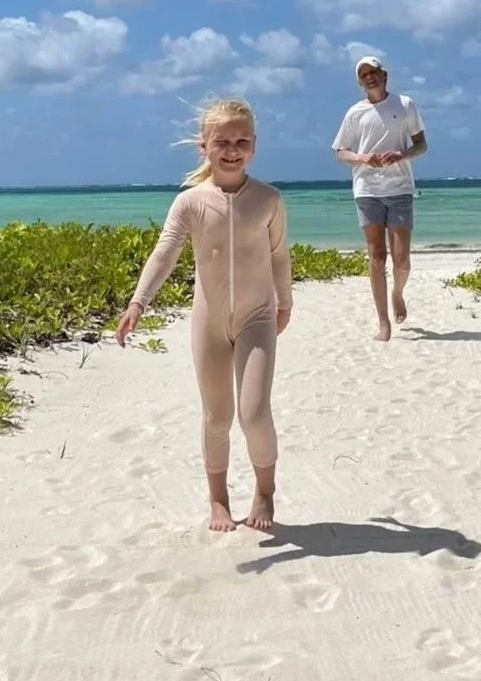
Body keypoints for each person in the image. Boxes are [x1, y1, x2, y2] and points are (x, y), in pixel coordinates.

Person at [115, 98, 292, 533]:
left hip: (257, 317)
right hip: (209, 323)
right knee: (216, 417)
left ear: (254, 145)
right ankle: (218, 500)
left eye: (241, 141)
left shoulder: (268, 199)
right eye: (223, 142)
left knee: (253, 412)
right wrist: (139, 302)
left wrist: (284, 302)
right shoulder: (190, 203)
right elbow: (165, 253)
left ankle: (265, 491)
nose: (232, 149)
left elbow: (279, 255)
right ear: (204, 146)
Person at [332, 57, 426, 341]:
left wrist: (403, 154)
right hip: (367, 189)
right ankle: (383, 321)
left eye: (374, 72)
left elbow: (421, 144)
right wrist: (362, 158)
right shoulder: (355, 113)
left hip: (400, 188)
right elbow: (340, 151)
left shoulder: (405, 105)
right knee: (376, 257)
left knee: (401, 262)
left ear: (385, 75)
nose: (370, 77)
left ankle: (397, 293)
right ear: (359, 82)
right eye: (364, 74)